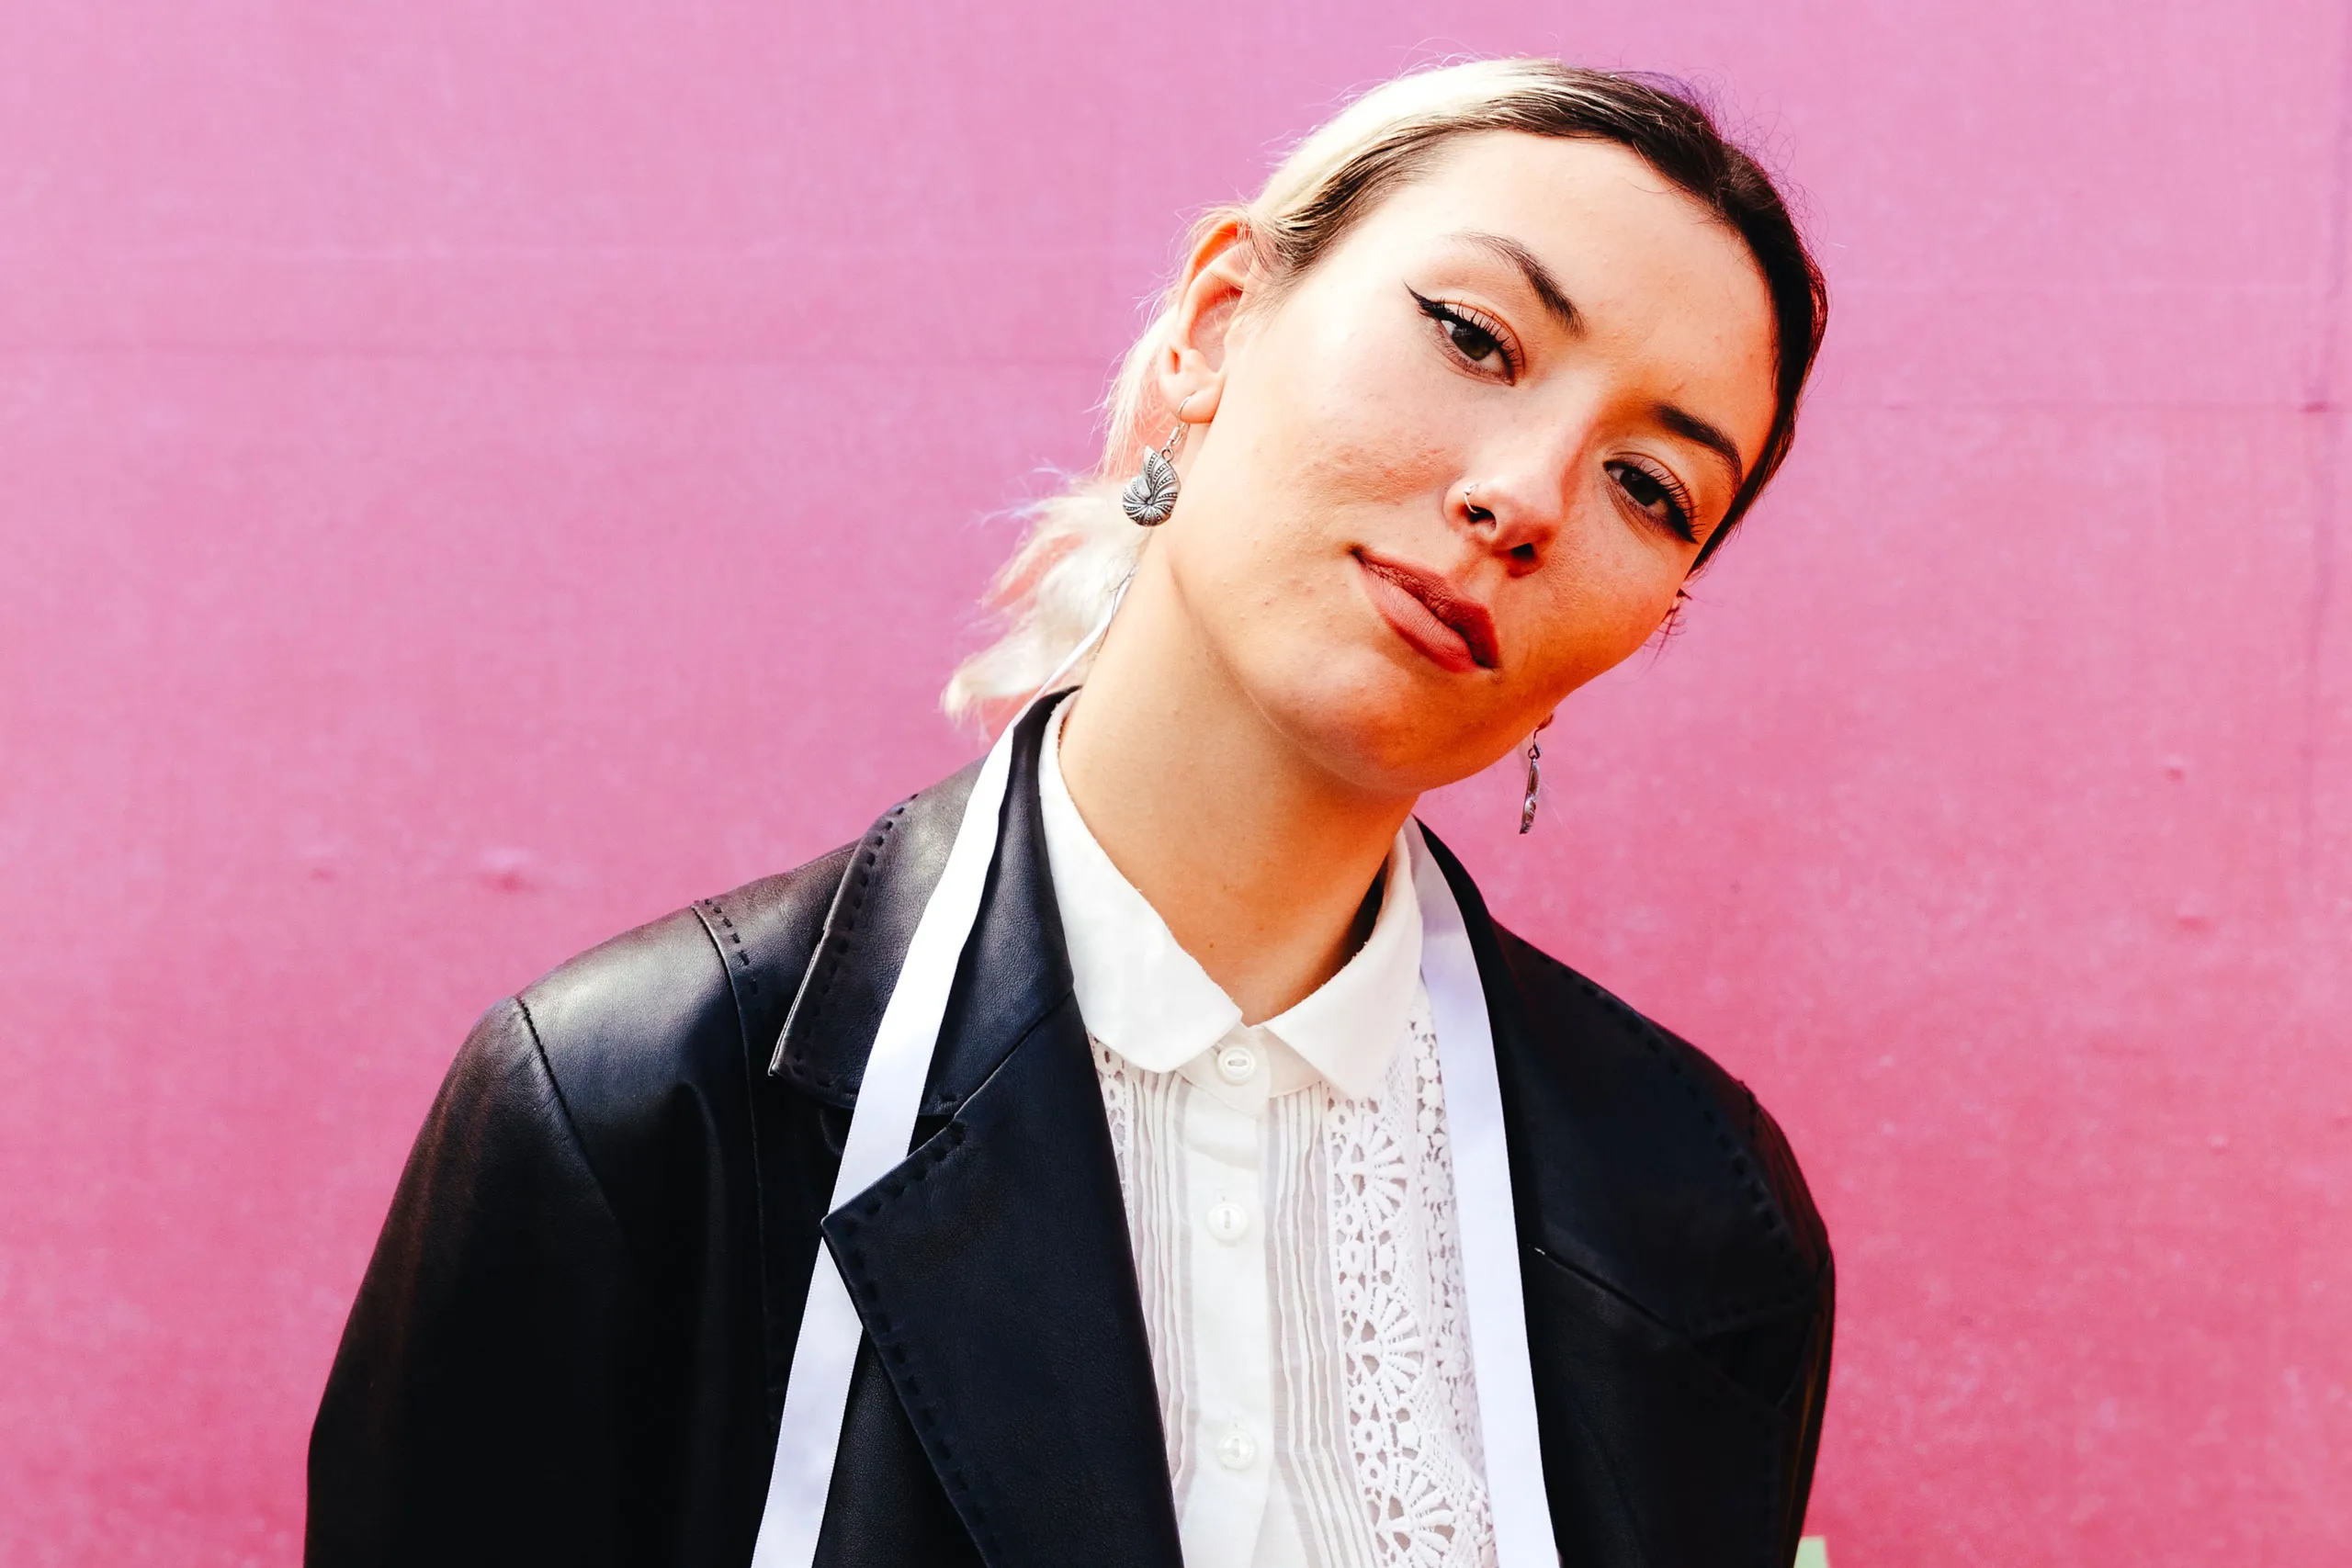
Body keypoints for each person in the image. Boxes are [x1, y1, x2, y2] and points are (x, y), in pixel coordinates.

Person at [307, 57, 1834, 1568]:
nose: (1526, 497)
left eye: (1651, 487)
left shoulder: (1700, 1214)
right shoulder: (639, 1109)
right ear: (1218, 321)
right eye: (1474, 336)